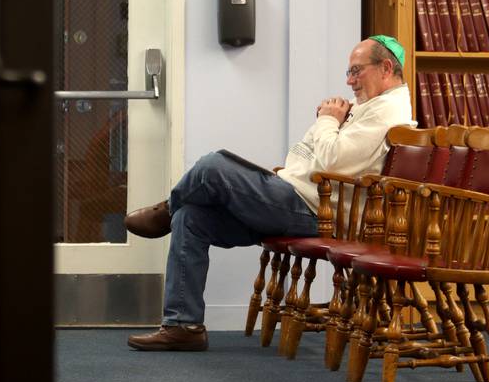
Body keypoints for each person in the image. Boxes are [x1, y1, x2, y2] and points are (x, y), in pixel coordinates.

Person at [123, 35, 415, 351]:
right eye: (349, 72)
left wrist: (328, 120)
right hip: (295, 197)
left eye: (356, 71)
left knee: (212, 167)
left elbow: (330, 159)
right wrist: (326, 128)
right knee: (190, 217)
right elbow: (300, 155)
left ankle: (166, 208)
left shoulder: (386, 112)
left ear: (386, 67)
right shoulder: (365, 107)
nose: (349, 81)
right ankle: (184, 325)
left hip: (315, 211)